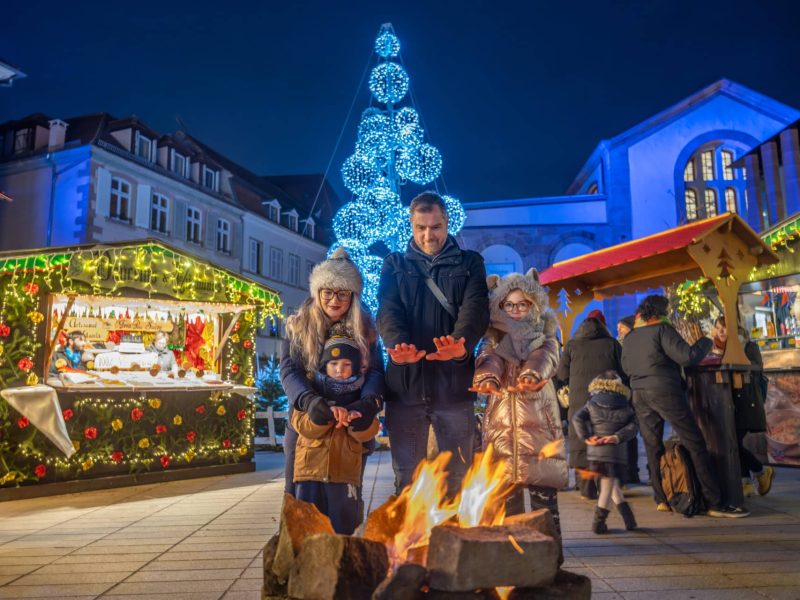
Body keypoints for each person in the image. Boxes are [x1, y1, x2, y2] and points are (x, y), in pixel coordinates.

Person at [377, 191, 490, 495]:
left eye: (436, 227)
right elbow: (387, 309)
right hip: (406, 387)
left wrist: (461, 343)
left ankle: (453, 539)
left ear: (447, 223)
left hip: (453, 385)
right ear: (412, 227)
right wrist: (398, 346)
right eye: (421, 228)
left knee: (457, 478)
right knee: (408, 480)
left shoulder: (470, 263)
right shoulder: (395, 264)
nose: (429, 235)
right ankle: (412, 542)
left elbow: (476, 306)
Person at [621, 294, 748, 517]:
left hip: (639, 393)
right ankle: (714, 502)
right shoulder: (662, 330)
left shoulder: (631, 337)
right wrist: (706, 341)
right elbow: (687, 356)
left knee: (653, 446)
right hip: (663, 390)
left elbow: (625, 366)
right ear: (661, 313)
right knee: (695, 442)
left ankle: (661, 498)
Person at [280, 249, 385, 499]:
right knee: (297, 495)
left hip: (350, 422)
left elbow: (376, 372)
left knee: (346, 496)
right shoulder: (298, 325)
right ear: (317, 292)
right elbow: (288, 369)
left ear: (353, 295)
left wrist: (369, 402)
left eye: (342, 293)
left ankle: (343, 537)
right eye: (327, 291)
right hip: (308, 420)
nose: (333, 299)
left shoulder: (367, 329)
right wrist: (307, 399)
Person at [472, 269, 567, 537]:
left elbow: (546, 356)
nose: (515, 310)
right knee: (508, 504)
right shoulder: (494, 337)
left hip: (538, 430)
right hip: (502, 431)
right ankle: (515, 557)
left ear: (533, 305)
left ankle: (551, 552)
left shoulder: (545, 333)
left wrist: (531, 374)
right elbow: (489, 358)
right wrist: (487, 377)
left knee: (544, 505)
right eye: (509, 305)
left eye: (522, 304)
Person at [291, 331, 380, 534]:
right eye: (333, 364)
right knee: (309, 527)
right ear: (324, 365)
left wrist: (355, 421)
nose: (340, 369)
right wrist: (324, 415)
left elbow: (371, 430)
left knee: (345, 527)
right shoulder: (311, 393)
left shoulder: (360, 394)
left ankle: (344, 562)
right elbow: (300, 423)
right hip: (309, 471)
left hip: (344, 474)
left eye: (347, 364)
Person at [555, 309, 624, 500]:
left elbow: (561, 375)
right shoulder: (612, 344)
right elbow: (624, 370)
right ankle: (609, 487)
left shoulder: (572, 346)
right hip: (607, 401)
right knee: (605, 438)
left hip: (579, 403)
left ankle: (586, 488)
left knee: (580, 441)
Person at [708, 316, 775, 497]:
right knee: (733, 442)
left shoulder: (747, 346)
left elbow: (757, 367)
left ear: (735, 329)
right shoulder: (712, 350)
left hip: (745, 401)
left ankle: (758, 473)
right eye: (718, 328)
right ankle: (749, 479)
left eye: (725, 327)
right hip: (725, 402)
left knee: (733, 442)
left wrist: (733, 363)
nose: (721, 331)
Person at [572, 370, 638, 534]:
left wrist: (587, 437)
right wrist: (617, 437)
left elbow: (576, 418)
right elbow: (634, 426)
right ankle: (600, 524)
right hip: (616, 452)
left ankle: (618, 521)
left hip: (596, 451)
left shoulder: (591, 403)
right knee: (609, 484)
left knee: (608, 485)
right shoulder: (626, 405)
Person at [616, 314, 642, 485]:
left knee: (631, 433)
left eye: (622, 327)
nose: (619, 330)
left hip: (634, 391)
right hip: (624, 393)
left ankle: (632, 471)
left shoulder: (633, 344)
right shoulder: (618, 344)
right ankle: (629, 471)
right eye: (618, 328)